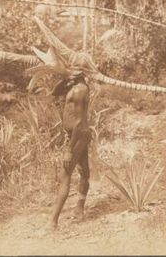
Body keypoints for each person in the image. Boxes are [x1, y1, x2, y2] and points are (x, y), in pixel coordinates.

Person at [48, 70, 92, 230]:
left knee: (65, 175)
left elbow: (79, 122)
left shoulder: (81, 89)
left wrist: (69, 149)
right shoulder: (72, 85)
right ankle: (80, 208)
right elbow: (54, 93)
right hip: (77, 135)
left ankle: (53, 221)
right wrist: (65, 77)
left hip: (79, 135)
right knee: (85, 172)